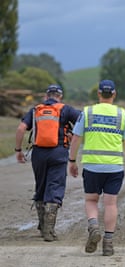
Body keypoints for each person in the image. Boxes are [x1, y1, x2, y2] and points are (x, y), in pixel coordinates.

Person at [68, 80, 125, 256]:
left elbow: (75, 138)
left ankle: (93, 226)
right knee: (110, 203)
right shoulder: (122, 115)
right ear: (114, 94)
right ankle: (108, 243)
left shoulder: (87, 112)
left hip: (92, 165)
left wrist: (72, 160)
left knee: (91, 200)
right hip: (114, 167)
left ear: (99, 94)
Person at [15, 84, 81, 242]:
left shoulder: (35, 109)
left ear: (46, 96)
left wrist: (18, 150)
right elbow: (84, 120)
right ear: (60, 96)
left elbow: (21, 128)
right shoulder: (66, 109)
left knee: (41, 186)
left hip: (38, 153)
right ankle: (49, 231)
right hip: (58, 153)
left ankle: (42, 225)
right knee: (55, 186)